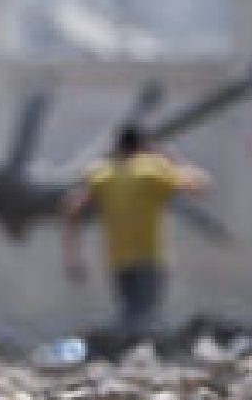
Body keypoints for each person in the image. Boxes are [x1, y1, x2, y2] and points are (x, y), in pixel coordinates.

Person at [60, 124, 212, 340]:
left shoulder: (102, 174)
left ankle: (111, 343)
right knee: (143, 318)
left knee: (132, 315)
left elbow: (72, 207)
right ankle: (108, 342)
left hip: (117, 261)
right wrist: (170, 158)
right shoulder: (151, 171)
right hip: (150, 258)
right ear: (143, 147)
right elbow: (200, 185)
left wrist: (72, 255)